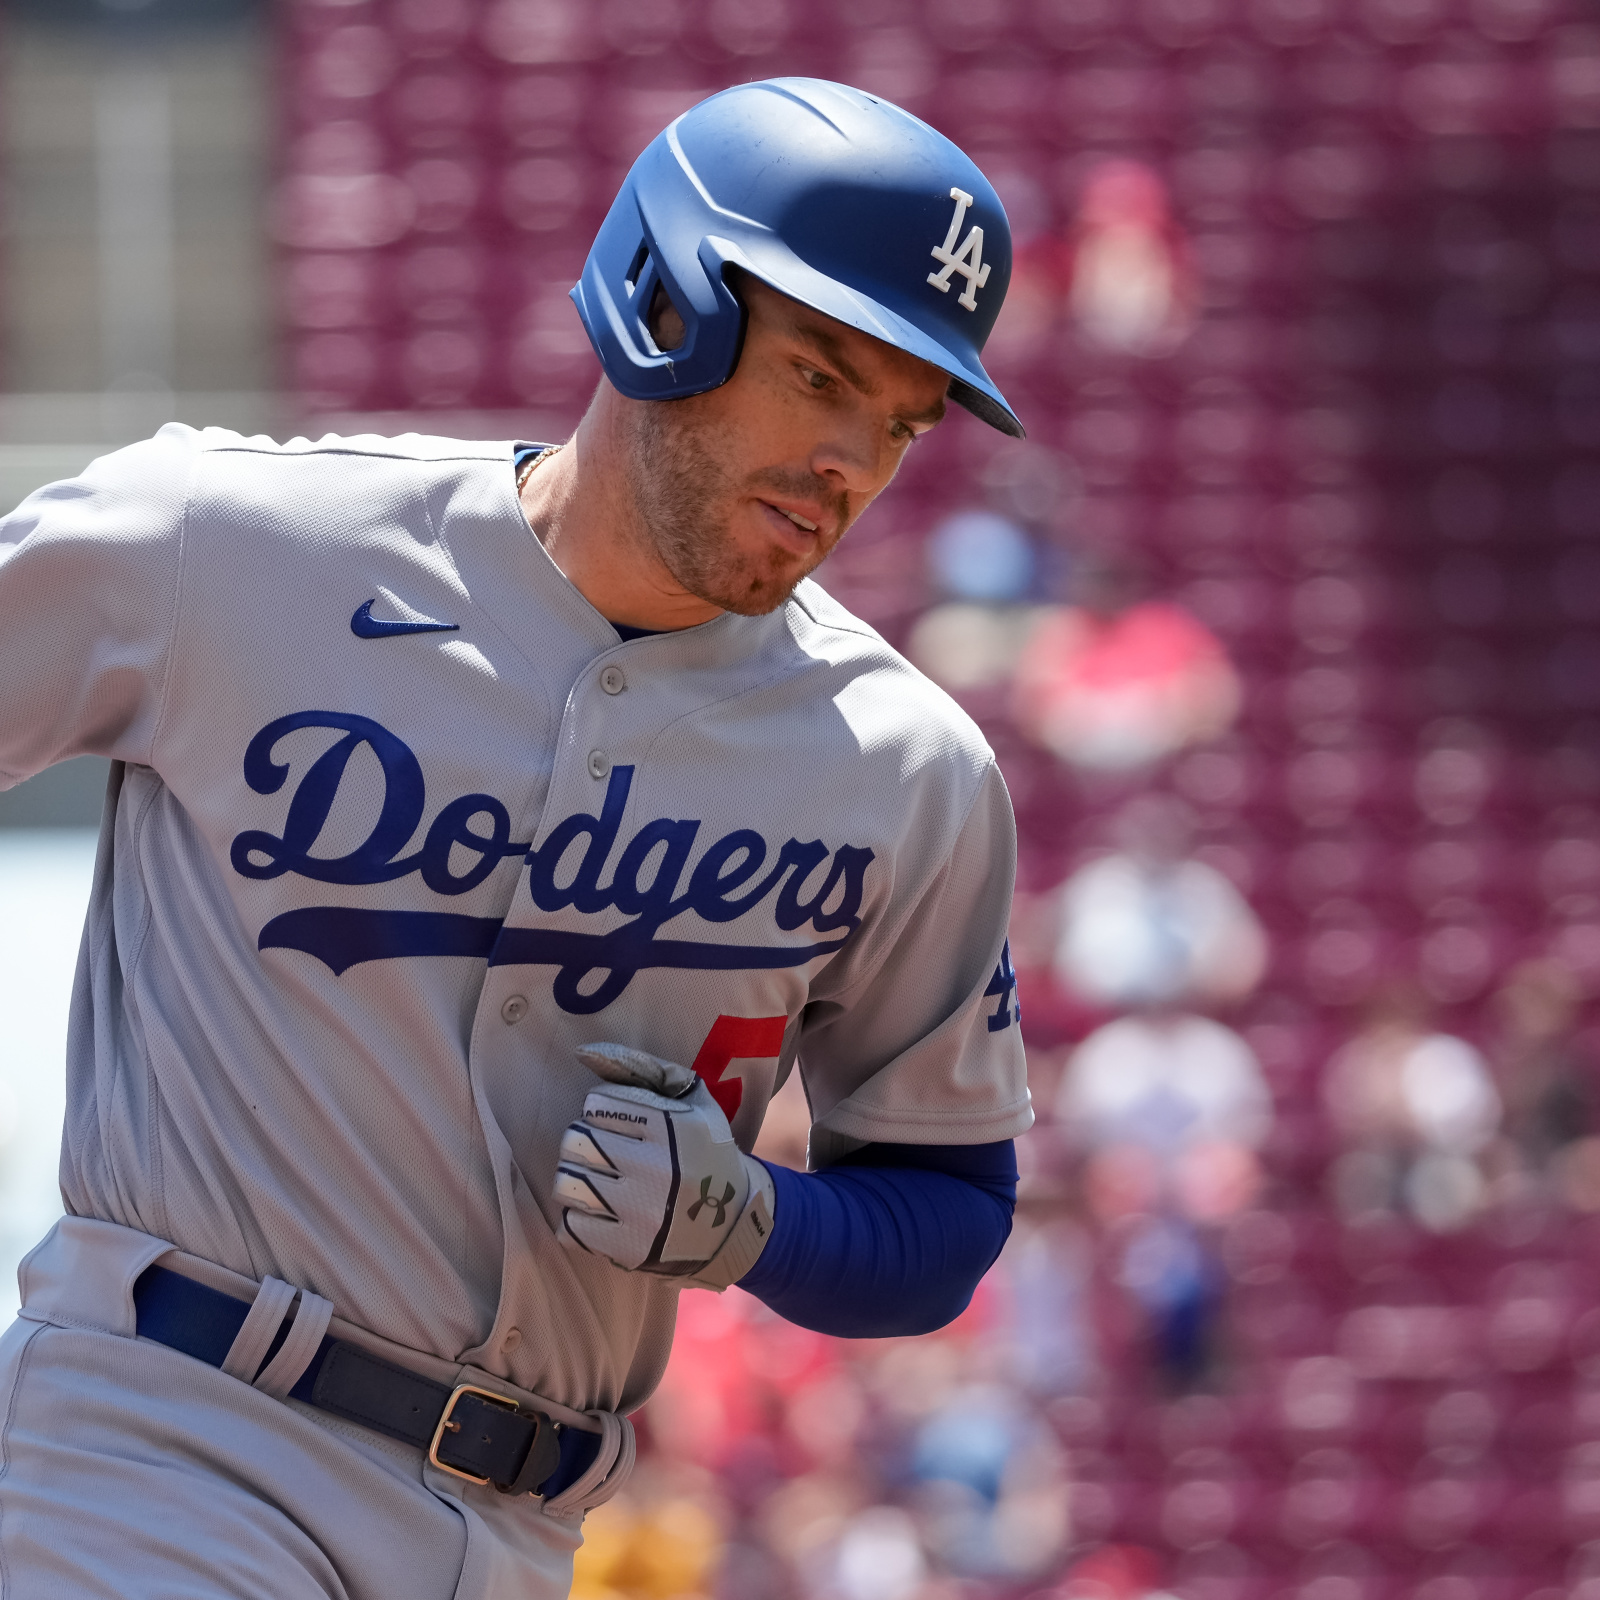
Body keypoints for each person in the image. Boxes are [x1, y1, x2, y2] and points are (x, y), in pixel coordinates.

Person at [0, 79, 1032, 1598]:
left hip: (532, 1532)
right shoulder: (222, 549)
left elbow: (948, 1211)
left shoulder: (905, 769)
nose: (854, 467)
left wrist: (759, 1222)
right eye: (820, 377)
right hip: (167, 1448)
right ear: (663, 301)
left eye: (899, 420)